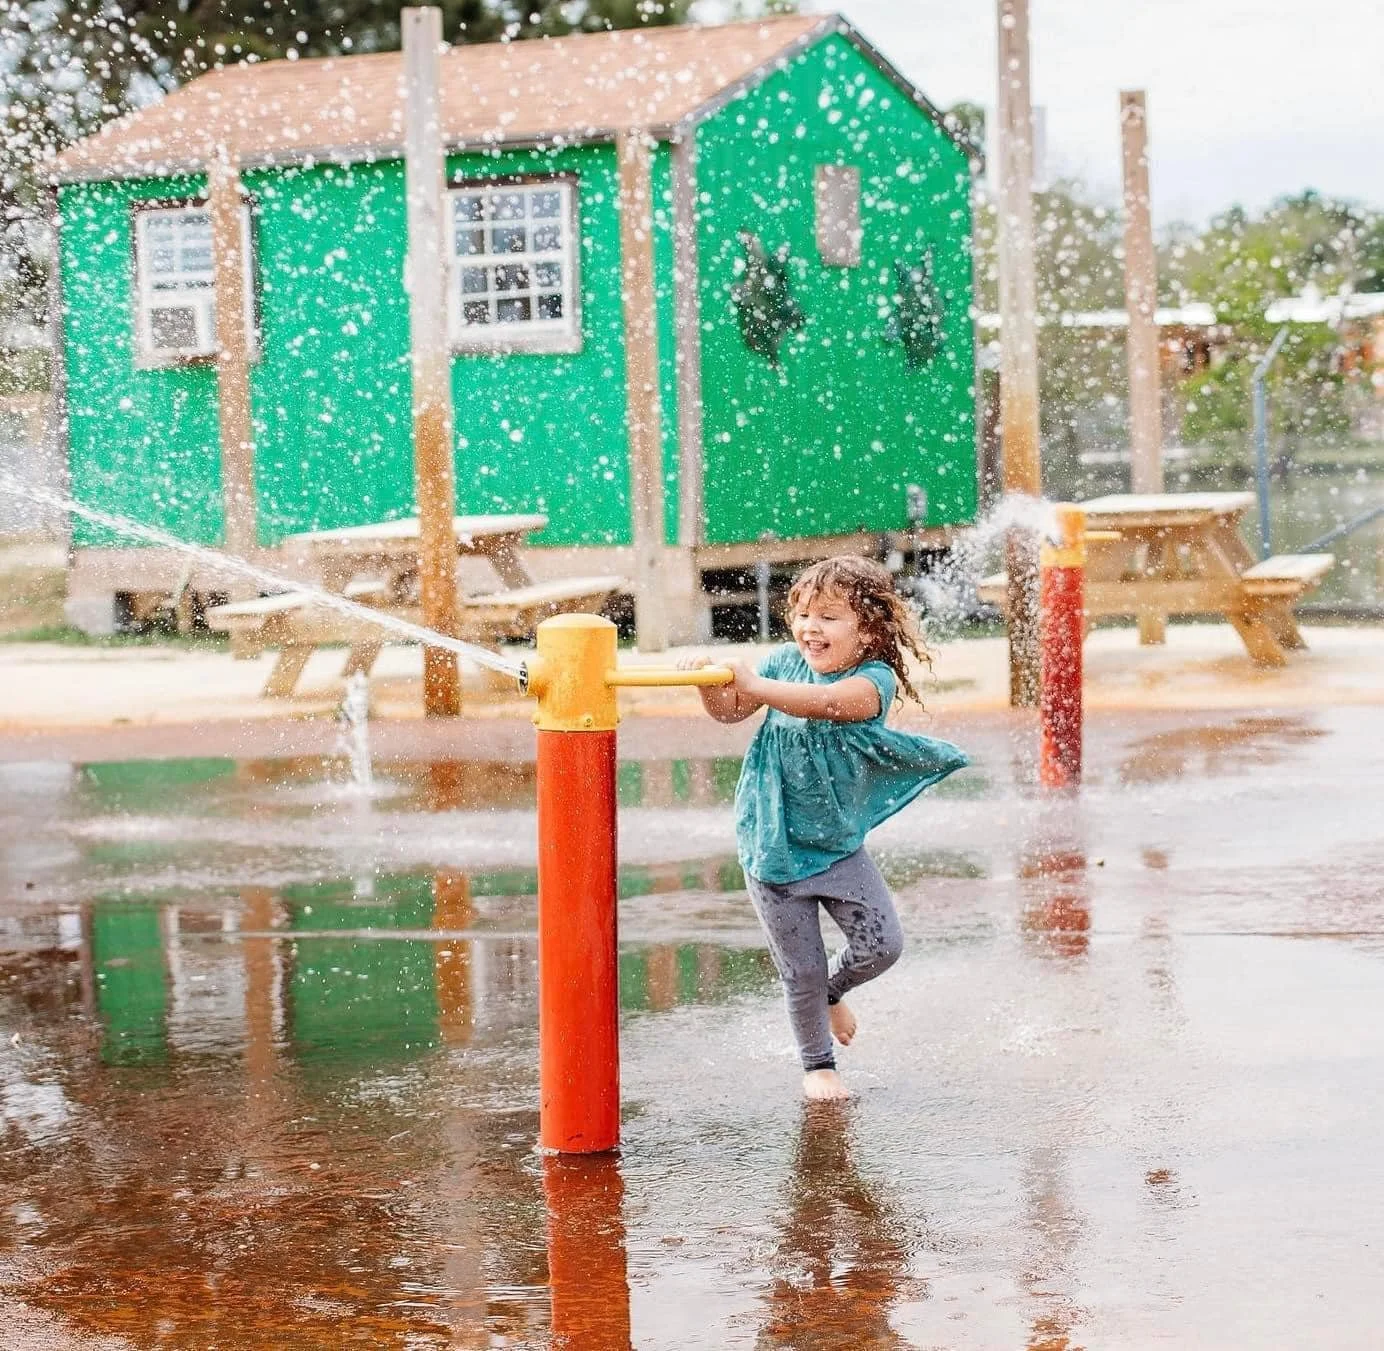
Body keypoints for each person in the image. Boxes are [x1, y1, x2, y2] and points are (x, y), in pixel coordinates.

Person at [680, 555, 968, 1101]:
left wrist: (756, 684)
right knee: (801, 968)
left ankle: (832, 991)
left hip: (836, 845)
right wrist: (709, 686)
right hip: (772, 843)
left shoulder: (872, 680)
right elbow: (729, 711)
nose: (811, 628)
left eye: (830, 617)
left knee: (883, 945)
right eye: (803, 613)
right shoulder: (784, 663)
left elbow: (830, 703)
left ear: (869, 631)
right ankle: (818, 1066)